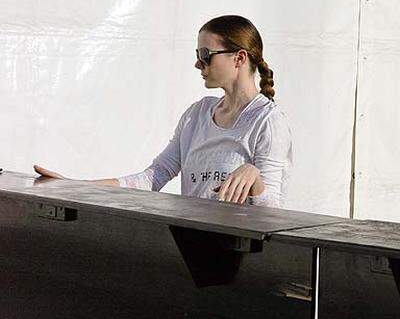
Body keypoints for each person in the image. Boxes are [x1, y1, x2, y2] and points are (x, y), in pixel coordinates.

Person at [34, 15, 293, 206]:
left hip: (241, 259)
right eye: (197, 53)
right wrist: (74, 188)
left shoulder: (268, 121)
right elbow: (152, 177)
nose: (197, 63)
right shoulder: (197, 115)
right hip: (193, 244)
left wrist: (254, 177)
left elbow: (271, 211)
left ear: (239, 58)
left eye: (205, 54)